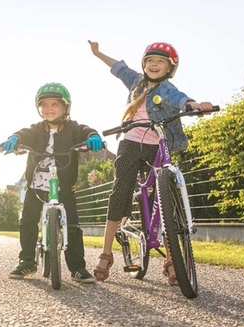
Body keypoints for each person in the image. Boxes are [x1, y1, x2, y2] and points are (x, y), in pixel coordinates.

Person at [87, 40, 214, 285]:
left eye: (160, 62)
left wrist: (196, 106)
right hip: (132, 142)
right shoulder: (136, 81)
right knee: (121, 190)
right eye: (150, 61)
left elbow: (182, 101)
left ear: (170, 68)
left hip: (159, 144)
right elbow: (118, 67)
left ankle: (171, 260)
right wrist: (98, 53)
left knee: (165, 197)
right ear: (144, 64)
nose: (154, 65)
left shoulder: (168, 90)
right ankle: (106, 254)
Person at [0, 82, 103, 283]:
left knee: (72, 224)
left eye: (54, 104)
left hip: (64, 184)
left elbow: (85, 130)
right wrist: (14, 138)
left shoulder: (72, 127)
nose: (49, 108)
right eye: (44, 104)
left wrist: (92, 136)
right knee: (28, 220)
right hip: (37, 183)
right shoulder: (37, 129)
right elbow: (24, 133)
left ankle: (77, 268)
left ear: (65, 107)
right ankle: (27, 261)